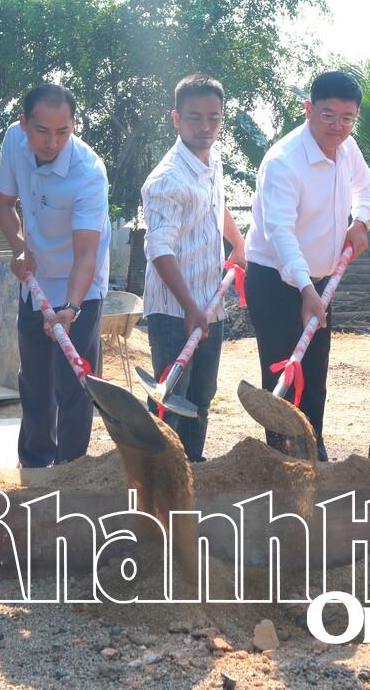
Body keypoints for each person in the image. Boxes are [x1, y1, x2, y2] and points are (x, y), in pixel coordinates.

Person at [245, 70, 370, 461]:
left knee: (314, 373)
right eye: (328, 115)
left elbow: (366, 188)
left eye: (348, 117)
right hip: (275, 280)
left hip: (320, 281)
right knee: (281, 372)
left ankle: (313, 448)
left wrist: (362, 220)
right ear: (308, 109)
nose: (338, 126)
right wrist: (305, 290)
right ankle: (282, 457)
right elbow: (280, 234)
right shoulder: (283, 162)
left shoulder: (347, 147)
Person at [0, 83, 111, 468]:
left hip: (81, 287)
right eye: (42, 131)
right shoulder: (14, 142)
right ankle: (34, 466)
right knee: (35, 382)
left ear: (74, 125)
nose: (52, 142)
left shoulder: (89, 173)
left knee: (74, 387)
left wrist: (72, 308)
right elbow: (5, 205)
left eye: (63, 131)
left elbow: (86, 253)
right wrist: (20, 247)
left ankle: (71, 472)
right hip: (36, 282)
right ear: (24, 123)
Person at [140, 75, 247, 462]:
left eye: (214, 119)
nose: (205, 128)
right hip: (173, 309)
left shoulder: (212, 159)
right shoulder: (167, 179)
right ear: (176, 119)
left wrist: (238, 245)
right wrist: (189, 308)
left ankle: (194, 466)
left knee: (202, 394)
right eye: (194, 119)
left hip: (209, 302)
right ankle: (160, 472)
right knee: (172, 397)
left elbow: (216, 206)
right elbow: (159, 249)